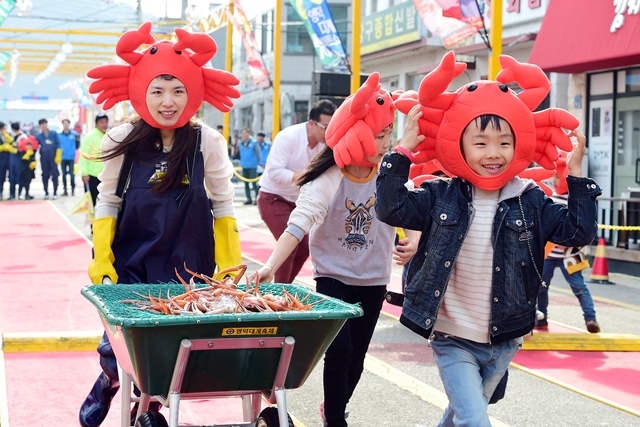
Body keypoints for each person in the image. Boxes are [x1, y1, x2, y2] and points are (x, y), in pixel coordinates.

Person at [376, 52, 601, 427]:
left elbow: (577, 232)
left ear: (519, 145)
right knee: (475, 420)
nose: (493, 154)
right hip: (451, 337)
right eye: (480, 143)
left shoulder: (530, 198)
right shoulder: (439, 194)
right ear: (459, 144)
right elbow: (392, 208)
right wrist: (401, 152)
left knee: (463, 415)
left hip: (505, 339)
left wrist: (576, 178)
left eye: (503, 143)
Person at [78, 22, 242, 427]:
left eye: (177, 91)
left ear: (193, 93)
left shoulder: (208, 141)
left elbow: (223, 204)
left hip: (189, 265)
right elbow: (108, 200)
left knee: (172, 352)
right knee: (120, 346)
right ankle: (109, 379)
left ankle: (147, 408)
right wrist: (102, 257)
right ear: (140, 92)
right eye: (157, 91)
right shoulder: (121, 137)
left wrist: (230, 264)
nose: (167, 102)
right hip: (133, 261)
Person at [253, 73, 418, 427]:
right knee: (339, 350)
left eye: (389, 134)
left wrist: (414, 240)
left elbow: (415, 208)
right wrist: (270, 266)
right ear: (355, 136)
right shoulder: (330, 175)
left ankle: (333, 408)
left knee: (357, 357)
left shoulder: (389, 172)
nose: (386, 143)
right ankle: (336, 420)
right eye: (379, 135)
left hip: (374, 276)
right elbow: (298, 223)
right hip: (333, 275)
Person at [257, 99, 337, 283]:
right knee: (290, 247)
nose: (328, 132)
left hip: (298, 201)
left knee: (303, 249)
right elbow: (274, 172)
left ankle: (283, 289)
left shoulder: (326, 144)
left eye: (331, 127)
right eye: (325, 127)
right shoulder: (288, 137)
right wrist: (307, 176)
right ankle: (279, 291)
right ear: (311, 123)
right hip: (273, 198)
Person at [537, 154, 600, 333]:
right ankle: (541, 317)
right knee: (541, 286)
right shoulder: (550, 197)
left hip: (570, 254)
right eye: (554, 176)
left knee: (579, 287)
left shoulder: (575, 199)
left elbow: (582, 223)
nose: (554, 180)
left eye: (558, 176)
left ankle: (590, 318)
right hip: (548, 254)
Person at [79, 114, 109, 208]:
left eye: (106, 122)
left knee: (104, 203)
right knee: (91, 202)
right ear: (96, 124)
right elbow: (83, 156)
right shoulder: (89, 137)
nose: (104, 124)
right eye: (101, 122)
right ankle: (92, 222)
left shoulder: (109, 136)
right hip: (92, 175)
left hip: (105, 175)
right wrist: (85, 173)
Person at [35, 118, 61, 199]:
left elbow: (59, 145)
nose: (43, 126)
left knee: (55, 175)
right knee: (45, 175)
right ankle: (46, 192)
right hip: (44, 158)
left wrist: (58, 155)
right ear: (40, 126)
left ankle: (55, 192)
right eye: (42, 124)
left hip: (53, 158)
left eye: (45, 124)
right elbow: (35, 146)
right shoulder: (39, 136)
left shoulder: (54, 133)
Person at [236, 127, 261, 205]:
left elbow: (258, 154)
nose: (244, 135)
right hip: (244, 166)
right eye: (243, 133)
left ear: (248, 133)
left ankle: (257, 199)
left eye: (245, 133)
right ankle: (248, 198)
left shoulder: (254, 143)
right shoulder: (241, 143)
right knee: (246, 184)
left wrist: (257, 163)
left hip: (252, 166)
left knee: (254, 183)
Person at [58, 118, 79, 196]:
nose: (66, 125)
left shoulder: (74, 135)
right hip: (63, 157)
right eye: (64, 123)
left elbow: (77, 144)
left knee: (72, 174)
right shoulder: (59, 135)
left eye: (67, 123)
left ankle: (72, 189)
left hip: (71, 157)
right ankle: (65, 190)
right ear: (62, 124)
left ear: (69, 125)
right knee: (63, 174)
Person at [7, 122, 26, 200]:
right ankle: (12, 194)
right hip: (12, 159)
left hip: (20, 158)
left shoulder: (23, 137)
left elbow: (23, 148)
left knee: (20, 176)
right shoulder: (13, 136)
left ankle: (20, 193)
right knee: (11, 177)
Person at [17, 135, 38, 200]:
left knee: (28, 182)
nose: (29, 147)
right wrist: (27, 154)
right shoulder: (22, 152)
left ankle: (27, 194)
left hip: (30, 171)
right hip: (23, 170)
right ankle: (19, 194)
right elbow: (23, 159)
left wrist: (34, 164)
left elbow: (34, 160)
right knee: (21, 183)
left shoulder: (33, 153)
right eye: (27, 145)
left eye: (30, 145)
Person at [0, 122, 14, 200]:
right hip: (1, 158)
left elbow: (13, 143)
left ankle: (12, 193)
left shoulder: (9, 134)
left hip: (10, 157)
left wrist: (6, 136)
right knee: (1, 176)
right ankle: (0, 192)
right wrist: (2, 147)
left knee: (11, 176)